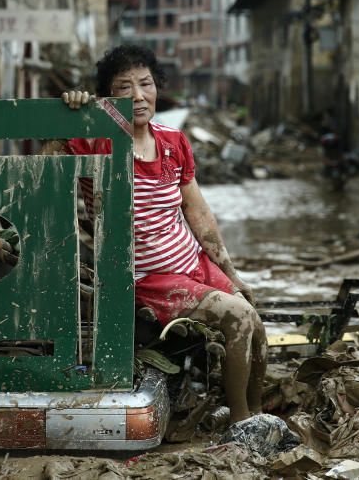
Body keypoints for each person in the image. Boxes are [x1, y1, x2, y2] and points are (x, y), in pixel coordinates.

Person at [58, 44, 266, 423]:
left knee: (256, 322)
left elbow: (198, 213)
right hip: (146, 277)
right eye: (124, 87)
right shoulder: (94, 140)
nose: (138, 96)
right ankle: (241, 423)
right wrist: (75, 110)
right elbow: (47, 158)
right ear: (108, 95)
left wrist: (231, 273)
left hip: (192, 262)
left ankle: (259, 413)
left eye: (146, 84)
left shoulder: (173, 141)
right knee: (237, 317)